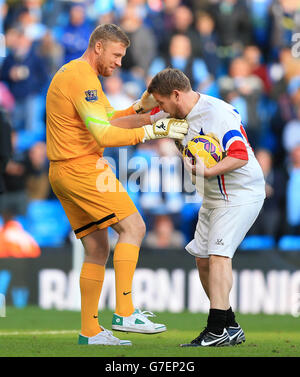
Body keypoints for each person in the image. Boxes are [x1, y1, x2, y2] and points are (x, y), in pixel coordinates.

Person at [46, 24, 188, 346]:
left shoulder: (81, 77)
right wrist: (155, 131)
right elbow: (105, 136)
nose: (120, 63)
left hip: (63, 171)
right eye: (117, 55)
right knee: (135, 227)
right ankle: (124, 310)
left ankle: (90, 332)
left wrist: (143, 108)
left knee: (97, 248)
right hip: (82, 167)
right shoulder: (81, 76)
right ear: (98, 47)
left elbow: (111, 119)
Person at [147, 68, 265, 347]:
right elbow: (137, 120)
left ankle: (215, 330)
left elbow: (239, 156)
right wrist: (99, 123)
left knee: (218, 255)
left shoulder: (217, 114)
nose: (159, 108)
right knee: (202, 260)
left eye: (161, 102)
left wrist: (209, 172)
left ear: (176, 95)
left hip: (240, 193)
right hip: (212, 197)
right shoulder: (173, 113)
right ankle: (230, 325)